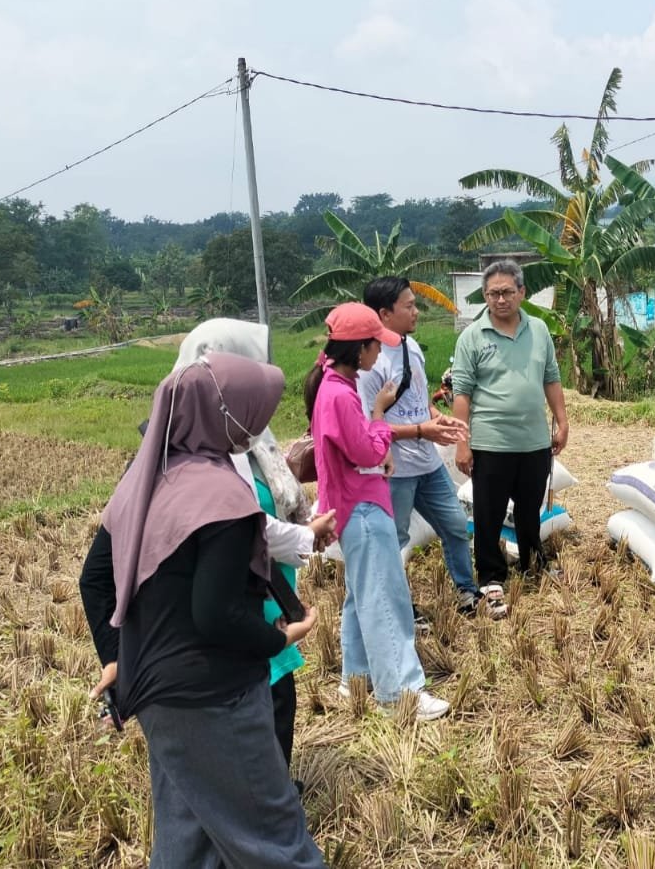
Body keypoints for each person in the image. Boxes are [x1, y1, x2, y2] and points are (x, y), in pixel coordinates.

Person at [79, 352, 326, 868]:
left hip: (156, 693)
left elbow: (95, 579)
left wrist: (115, 654)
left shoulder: (145, 480)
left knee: (188, 840)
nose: (258, 422)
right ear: (224, 414)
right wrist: (280, 638)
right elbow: (215, 615)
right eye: (252, 409)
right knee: (275, 839)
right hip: (215, 695)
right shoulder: (221, 496)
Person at [173, 318, 337, 769]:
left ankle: (274, 788)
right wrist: (307, 535)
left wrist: (307, 526)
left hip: (269, 581)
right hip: (242, 592)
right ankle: (270, 797)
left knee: (276, 692)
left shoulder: (248, 432)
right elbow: (243, 526)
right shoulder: (210, 443)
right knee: (265, 692)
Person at [305, 303, 450, 721]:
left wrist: (375, 437)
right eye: (375, 347)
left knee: (360, 596)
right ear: (360, 350)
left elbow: (360, 449)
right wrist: (381, 418)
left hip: (351, 503)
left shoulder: (334, 388)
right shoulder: (339, 395)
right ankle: (399, 692)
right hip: (363, 506)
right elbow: (367, 449)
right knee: (385, 596)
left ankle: (358, 679)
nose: (379, 355)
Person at [359, 278, 505, 619]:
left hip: (427, 465)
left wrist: (439, 419)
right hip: (395, 471)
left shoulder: (411, 349)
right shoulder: (369, 364)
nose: (416, 311)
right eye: (408, 306)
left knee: (454, 524)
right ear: (383, 314)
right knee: (393, 541)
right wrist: (423, 430)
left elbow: (419, 401)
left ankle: (467, 593)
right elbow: (370, 428)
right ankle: (398, 609)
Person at [451, 259, 569, 606]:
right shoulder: (472, 337)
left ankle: (534, 562)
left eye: (506, 292)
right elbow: (462, 394)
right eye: (492, 294)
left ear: (522, 292)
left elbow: (551, 378)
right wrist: (462, 442)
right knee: (488, 512)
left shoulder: (539, 331)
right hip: (491, 442)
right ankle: (491, 576)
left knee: (531, 509)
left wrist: (562, 421)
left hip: (534, 440)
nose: (499, 300)